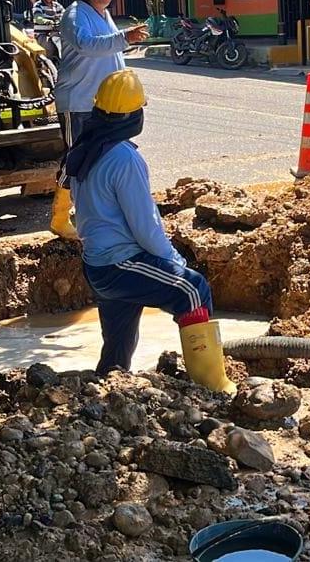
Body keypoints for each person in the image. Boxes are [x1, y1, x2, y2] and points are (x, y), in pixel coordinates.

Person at [64, 69, 233, 390]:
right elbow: (146, 226)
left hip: (97, 265)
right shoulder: (123, 158)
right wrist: (175, 263)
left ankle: (109, 387)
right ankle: (213, 386)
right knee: (193, 290)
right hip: (119, 263)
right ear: (131, 115)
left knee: (118, 343)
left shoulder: (86, 148)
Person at [49, 0, 149, 238]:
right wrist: (124, 38)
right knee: (76, 160)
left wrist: (133, 91)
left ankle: (93, 216)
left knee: (101, 162)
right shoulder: (74, 15)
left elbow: (113, 57)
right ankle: (60, 217)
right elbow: (86, 45)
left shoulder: (103, 15)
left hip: (103, 106)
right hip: (78, 103)